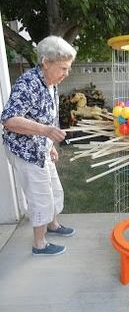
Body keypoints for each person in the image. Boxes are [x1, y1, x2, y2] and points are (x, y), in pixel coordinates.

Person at [1, 36, 77, 256]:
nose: (66, 73)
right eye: (63, 68)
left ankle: (52, 225)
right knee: (40, 194)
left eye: (68, 68)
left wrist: (49, 143)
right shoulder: (28, 83)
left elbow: (47, 116)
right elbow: (9, 119)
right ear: (46, 62)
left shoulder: (50, 83)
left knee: (53, 187)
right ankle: (39, 244)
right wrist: (45, 132)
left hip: (40, 146)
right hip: (25, 150)